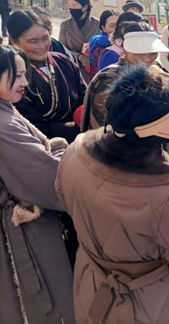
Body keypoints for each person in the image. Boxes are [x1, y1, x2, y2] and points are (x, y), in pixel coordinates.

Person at [56, 64, 169, 324]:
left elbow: (63, 197)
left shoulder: (75, 150)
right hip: (149, 299)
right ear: (158, 134)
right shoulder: (166, 192)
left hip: (91, 279)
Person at [0, 44, 75, 324]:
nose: (25, 83)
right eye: (17, 75)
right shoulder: (4, 124)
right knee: (43, 300)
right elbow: (44, 176)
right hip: (21, 224)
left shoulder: (6, 110)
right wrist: (65, 152)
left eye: (25, 74)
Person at [8, 10, 87, 143]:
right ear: (13, 41)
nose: (41, 46)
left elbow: (85, 96)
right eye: (33, 41)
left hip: (81, 138)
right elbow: (27, 125)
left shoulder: (63, 61)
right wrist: (74, 129)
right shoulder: (10, 75)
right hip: (41, 145)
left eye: (45, 38)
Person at [81, 27, 169, 131]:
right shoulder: (109, 78)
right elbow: (101, 126)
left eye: (153, 52)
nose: (147, 59)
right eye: (139, 52)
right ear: (125, 50)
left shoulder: (159, 71)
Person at [59, 0, 100, 67]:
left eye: (74, 6)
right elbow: (61, 48)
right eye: (70, 6)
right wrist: (79, 56)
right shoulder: (65, 25)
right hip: (73, 65)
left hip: (94, 65)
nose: (71, 9)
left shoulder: (97, 24)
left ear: (85, 7)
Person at [88, 9, 119, 78]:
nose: (116, 29)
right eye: (112, 26)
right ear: (103, 28)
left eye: (119, 25)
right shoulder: (98, 46)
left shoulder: (125, 44)